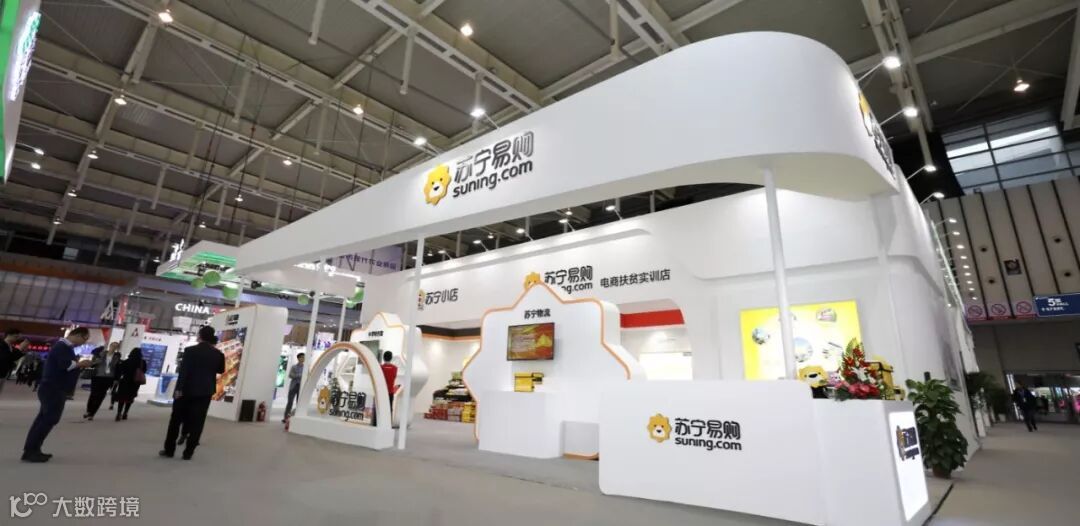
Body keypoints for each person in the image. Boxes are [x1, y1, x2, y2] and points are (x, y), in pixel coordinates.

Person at [22, 327, 93, 462]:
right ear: (78, 335)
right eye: (85, 339)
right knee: (49, 419)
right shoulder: (62, 347)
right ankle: (31, 451)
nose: (84, 343)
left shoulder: (64, 347)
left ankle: (32, 449)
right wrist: (80, 364)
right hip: (54, 388)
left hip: (53, 387)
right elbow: (64, 365)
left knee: (43, 419)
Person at [161, 326, 224, 460]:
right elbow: (221, 370)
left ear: (200, 336)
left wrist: (178, 389)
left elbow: (184, 371)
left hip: (186, 390)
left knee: (176, 420)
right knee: (198, 422)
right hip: (205, 392)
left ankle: (169, 450)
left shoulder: (190, 351)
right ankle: (188, 452)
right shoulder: (218, 354)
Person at [84, 342, 120, 420]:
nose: (113, 348)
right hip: (97, 376)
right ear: (110, 346)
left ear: (117, 348)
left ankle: (92, 414)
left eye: (115, 347)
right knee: (93, 394)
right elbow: (93, 363)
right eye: (112, 346)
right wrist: (97, 361)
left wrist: (116, 379)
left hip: (108, 378)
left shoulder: (117, 357)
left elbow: (117, 369)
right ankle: (88, 410)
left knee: (101, 396)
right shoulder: (101, 353)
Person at [114, 348, 147, 421]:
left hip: (125, 382)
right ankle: (125, 413)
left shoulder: (126, 361)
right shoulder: (142, 362)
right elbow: (144, 371)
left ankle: (119, 413)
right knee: (130, 398)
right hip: (135, 383)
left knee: (122, 398)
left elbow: (121, 370)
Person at [283, 353, 305, 422]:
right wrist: (299, 375)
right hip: (293, 386)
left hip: (301, 387)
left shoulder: (305, 367)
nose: (303, 359)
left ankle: (297, 418)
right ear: (298, 358)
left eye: (304, 357)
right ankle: (286, 418)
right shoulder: (294, 367)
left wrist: (297, 375)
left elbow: (307, 376)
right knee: (290, 402)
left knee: (299, 403)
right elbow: (290, 375)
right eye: (302, 357)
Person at [0, 328, 23, 394]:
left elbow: (13, 358)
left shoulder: (11, 346)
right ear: (9, 335)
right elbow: (3, 358)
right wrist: (20, 349)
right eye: (16, 336)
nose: (17, 339)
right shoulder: (1, 344)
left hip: (3, 373)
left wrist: (22, 350)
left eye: (18, 337)